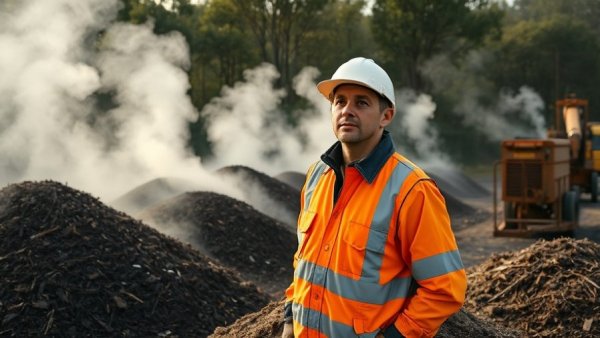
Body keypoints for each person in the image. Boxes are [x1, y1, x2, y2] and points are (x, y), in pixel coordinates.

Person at [281, 57, 467, 338]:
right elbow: (304, 260)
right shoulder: (317, 176)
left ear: (386, 116)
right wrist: (288, 320)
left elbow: (446, 288)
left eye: (362, 102)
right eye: (340, 101)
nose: (347, 110)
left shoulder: (411, 190)